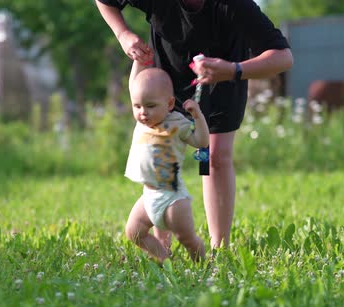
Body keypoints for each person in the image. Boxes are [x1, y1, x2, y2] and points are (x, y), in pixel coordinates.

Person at [96, 0, 293, 250]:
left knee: (212, 158)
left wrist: (234, 70)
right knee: (161, 151)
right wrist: (123, 34)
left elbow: (283, 57)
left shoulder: (234, 5)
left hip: (222, 79)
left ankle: (219, 247)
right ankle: (162, 245)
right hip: (165, 80)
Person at [124, 65, 208, 263]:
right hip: (148, 196)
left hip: (173, 198)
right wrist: (137, 61)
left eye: (151, 106)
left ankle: (202, 263)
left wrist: (198, 116)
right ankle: (164, 258)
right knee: (134, 232)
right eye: (137, 106)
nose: (143, 112)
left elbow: (202, 142)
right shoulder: (142, 122)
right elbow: (133, 85)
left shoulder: (177, 123)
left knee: (186, 239)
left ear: (169, 103)